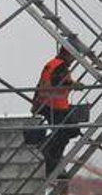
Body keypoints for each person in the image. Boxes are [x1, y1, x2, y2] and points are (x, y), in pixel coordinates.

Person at [32, 46, 80, 177]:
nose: (74, 60)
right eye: (73, 57)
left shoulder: (54, 64)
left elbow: (44, 83)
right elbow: (57, 81)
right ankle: (50, 159)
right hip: (52, 105)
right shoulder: (60, 65)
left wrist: (35, 102)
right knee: (65, 132)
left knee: (70, 131)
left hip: (53, 105)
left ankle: (53, 160)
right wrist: (72, 84)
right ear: (67, 54)